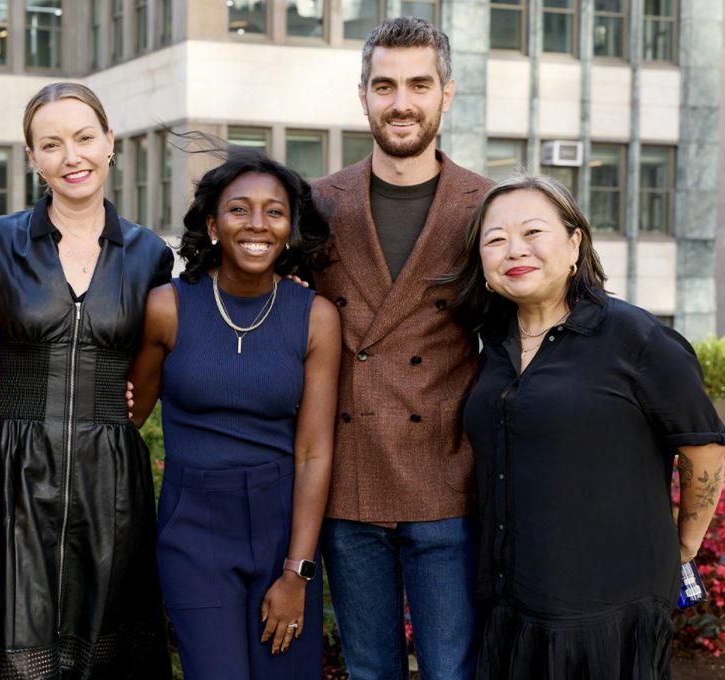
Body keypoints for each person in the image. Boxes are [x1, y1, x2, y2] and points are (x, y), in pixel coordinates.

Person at [444, 174, 725, 679]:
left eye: (533, 232)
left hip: (607, 610)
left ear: (575, 243)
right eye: (495, 239)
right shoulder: (495, 345)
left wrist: (684, 545)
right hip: (511, 602)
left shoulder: (634, 335)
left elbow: (703, 446)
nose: (515, 249)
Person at [0, 82, 173, 679]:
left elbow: (168, 349)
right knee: (13, 654)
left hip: (112, 481)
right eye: (51, 144)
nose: (71, 156)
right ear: (33, 158)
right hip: (12, 471)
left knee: (105, 653)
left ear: (110, 142)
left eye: (84, 138)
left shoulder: (150, 254)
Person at [310, 16, 491, 680]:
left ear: (447, 92)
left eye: (419, 84)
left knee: (452, 670)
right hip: (350, 482)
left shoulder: (487, 206)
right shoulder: (317, 204)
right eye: (385, 86)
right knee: (369, 670)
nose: (401, 102)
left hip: (447, 478)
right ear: (363, 95)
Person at [128, 148, 341, 680]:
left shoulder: (315, 316)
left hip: (281, 528)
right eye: (239, 209)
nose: (257, 224)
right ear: (212, 224)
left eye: (275, 212)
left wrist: (297, 571)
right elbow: (127, 416)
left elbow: (314, 452)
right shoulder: (167, 307)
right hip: (193, 527)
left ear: (290, 228)